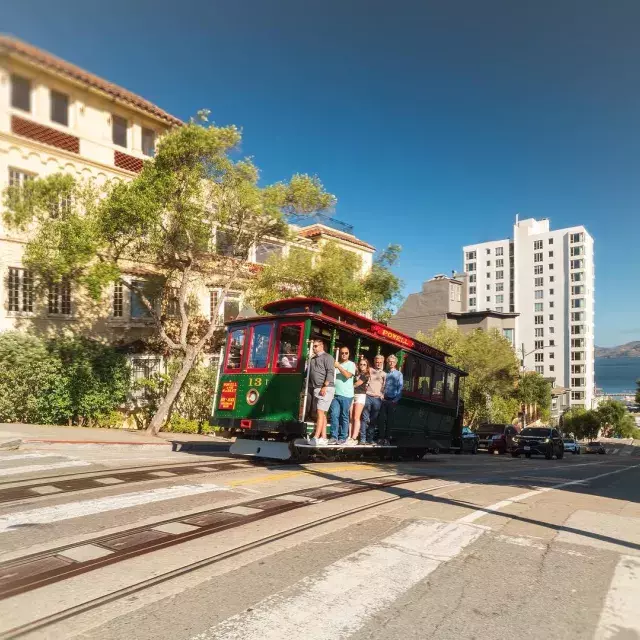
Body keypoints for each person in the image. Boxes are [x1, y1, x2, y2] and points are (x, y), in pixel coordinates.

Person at [308, 339, 335, 446]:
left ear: (321, 346)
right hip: (316, 388)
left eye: (316, 346)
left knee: (320, 412)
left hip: (326, 388)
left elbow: (330, 372)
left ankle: (315, 437)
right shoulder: (313, 359)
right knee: (322, 414)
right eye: (313, 346)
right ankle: (323, 437)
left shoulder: (328, 357)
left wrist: (325, 386)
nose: (314, 348)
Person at [328, 346, 356, 445]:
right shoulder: (336, 364)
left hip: (346, 395)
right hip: (335, 394)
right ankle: (333, 436)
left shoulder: (351, 364)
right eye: (342, 353)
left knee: (344, 416)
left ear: (349, 354)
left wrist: (338, 366)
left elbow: (348, 375)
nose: (344, 354)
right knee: (334, 415)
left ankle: (343, 437)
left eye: (346, 353)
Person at [360, 354, 386, 445]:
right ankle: (362, 439)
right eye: (377, 362)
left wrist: (381, 395)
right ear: (374, 362)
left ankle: (370, 439)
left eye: (380, 362)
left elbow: (384, 387)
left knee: (373, 420)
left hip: (377, 399)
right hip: (368, 396)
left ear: (383, 362)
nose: (378, 364)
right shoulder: (370, 370)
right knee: (364, 418)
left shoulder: (384, 374)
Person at [378, 354, 403, 445]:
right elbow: (382, 385)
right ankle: (381, 437)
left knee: (389, 420)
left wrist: (395, 400)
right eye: (389, 361)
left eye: (393, 361)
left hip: (392, 400)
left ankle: (387, 439)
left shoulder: (399, 374)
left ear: (395, 363)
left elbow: (400, 388)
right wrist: (381, 395)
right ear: (387, 362)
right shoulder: (386, 373)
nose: (391, 363)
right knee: (381, 419)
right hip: (384, 399)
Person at [349, 358, 370, 445]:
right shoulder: (357, 373)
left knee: (356, 417)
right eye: (361, 364)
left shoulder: (366, 375)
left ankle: (354, 438)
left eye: (364, 364)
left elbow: (357, 384)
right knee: (350, 416)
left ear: (367, 366)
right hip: (352, 394)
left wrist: (347, 387)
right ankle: (349, 436)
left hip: (360, 396)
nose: (362, 366)